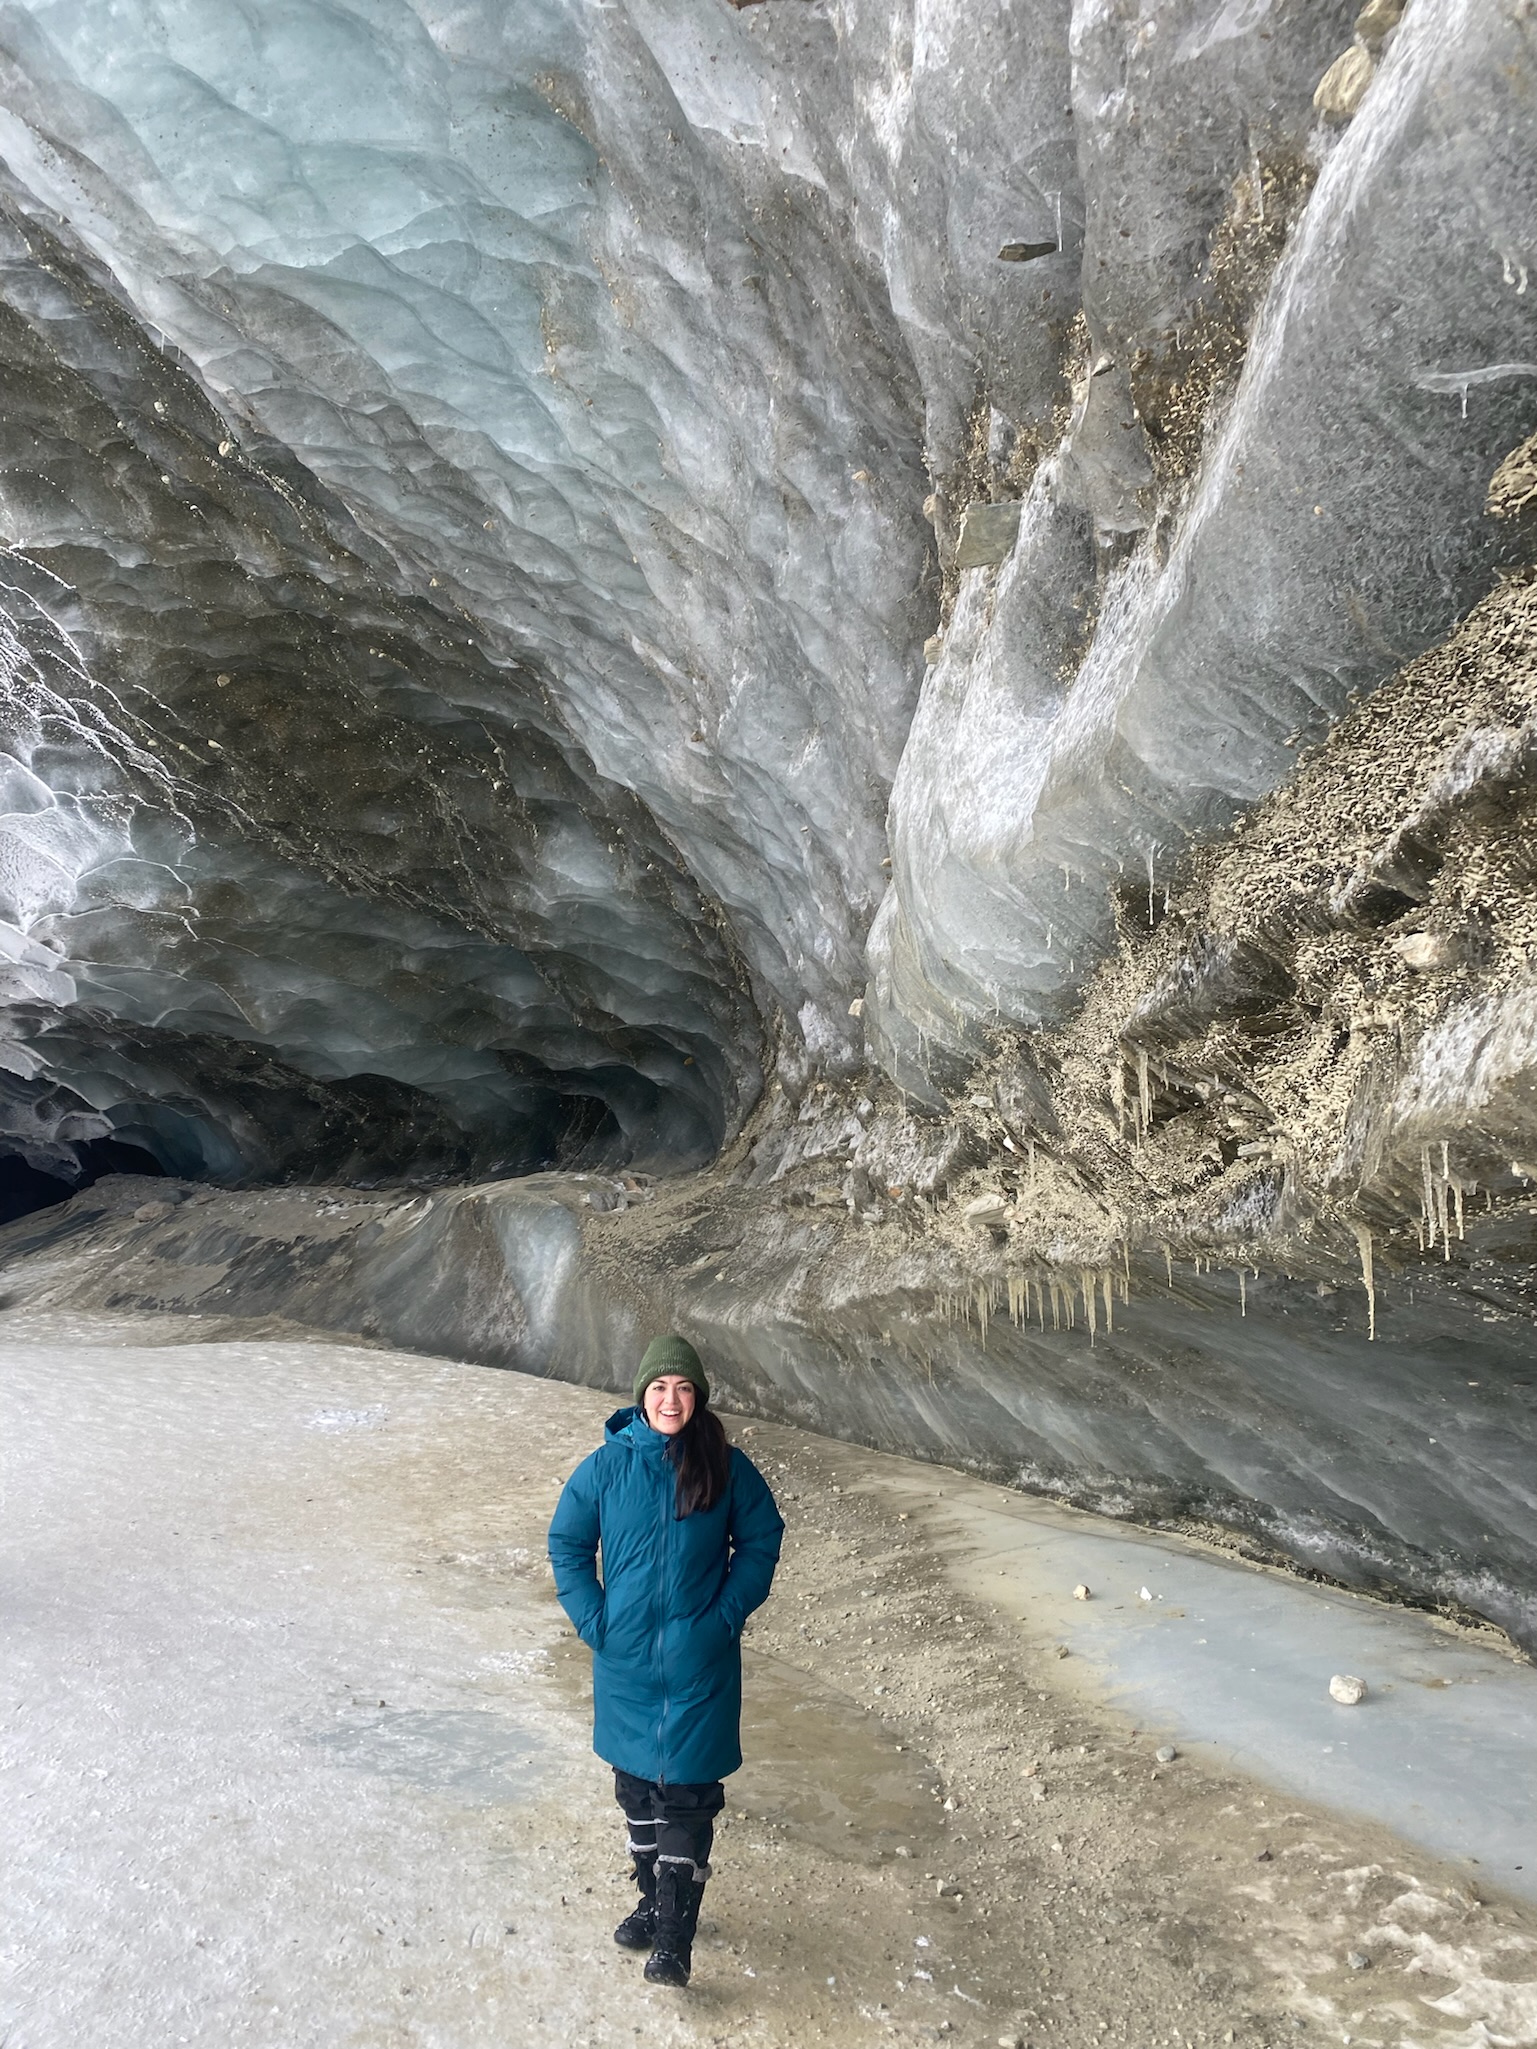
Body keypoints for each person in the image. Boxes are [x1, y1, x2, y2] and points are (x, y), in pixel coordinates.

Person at [547, 1334, 784, 1987]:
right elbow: (566, 1544)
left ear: (696, 1396)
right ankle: (652, 1900)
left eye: (682, 1387)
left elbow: (761, 1541)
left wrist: (723, 1616)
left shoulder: (725, 1465)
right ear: (641, 1396)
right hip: (624, 1663)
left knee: (686, 1796)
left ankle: (675, 1939)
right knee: (635, 1791)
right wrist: (597, 1621)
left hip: (698, 1663)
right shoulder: (605, 1466)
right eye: (659, 1387)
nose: (671, 1398)